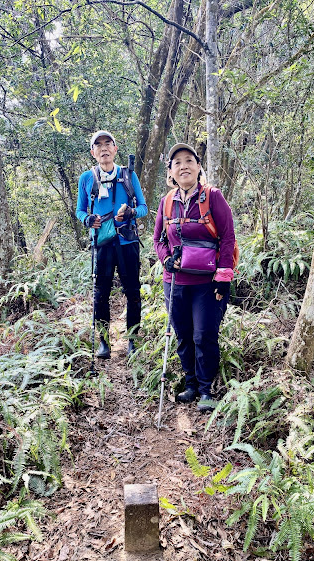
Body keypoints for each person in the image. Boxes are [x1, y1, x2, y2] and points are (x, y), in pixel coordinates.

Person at [153, 143, 236, 412]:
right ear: (171, 172)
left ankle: (205, 389)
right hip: (175, 281)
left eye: (189, 161)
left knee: (205, 334)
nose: (184, 166)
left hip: (207, 283)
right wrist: (166, 258)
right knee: (183, 334)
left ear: (199, 167)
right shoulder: (166, 202)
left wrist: (224, 275)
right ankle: (190, 384)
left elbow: (228, 237)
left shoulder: (213, 197)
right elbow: (158, 238)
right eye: (177, 163)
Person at [77, 131, 147, 358]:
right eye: (98, 145)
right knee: (100, 294)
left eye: (108, 144)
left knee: (133, 293)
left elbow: (144, 207)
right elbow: (79, 210)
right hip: (103, 243)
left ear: (115, 149)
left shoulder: (128, 175)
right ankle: (104, 343)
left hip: (128, 242)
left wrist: (131, 212)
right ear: (93, 152)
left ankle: (132, 341)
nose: (104, 148)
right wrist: (87, 220)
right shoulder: (87, 178)